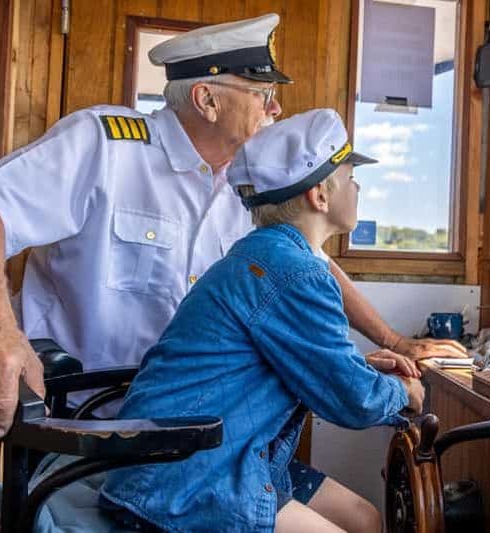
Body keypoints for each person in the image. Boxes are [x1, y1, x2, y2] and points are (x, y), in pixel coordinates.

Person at [0, 12, 465, 530]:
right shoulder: (104, 146)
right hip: (95, 431)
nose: (276, 107)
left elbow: (314, 267)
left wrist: (395, 342)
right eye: (263, 93)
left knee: (364, 518)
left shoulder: (251, 194)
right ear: (207, 99)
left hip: (219, 435)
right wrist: (4, 334)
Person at [102, 108, 422, 532]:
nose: (358, 185)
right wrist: (403, 392)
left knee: (365, 519)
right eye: (349, 175)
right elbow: (352, 401)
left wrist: (361, 368)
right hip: (186, 476)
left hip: (207, 454)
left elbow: (302, 365)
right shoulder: (296, 272)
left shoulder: (271, 253)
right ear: (320, 196)